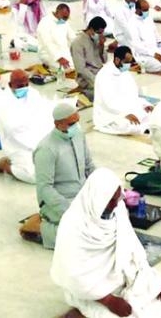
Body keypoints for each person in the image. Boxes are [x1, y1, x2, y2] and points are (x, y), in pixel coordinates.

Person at [51, 168, 161, 318]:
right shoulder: (73, 224)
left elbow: (132, 247)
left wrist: (152, 281)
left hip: (120, 281)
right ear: (98, 199)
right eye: (111, 201)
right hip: (91, 291)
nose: (115, 204)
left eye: (117, 199)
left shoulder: (118, 209)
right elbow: (74, 276)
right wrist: (109, 301)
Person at [32, 102, 94, 249]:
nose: (76, 126)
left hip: (82, 196)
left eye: (77, 121)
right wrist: (68, 210)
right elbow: (45, 189)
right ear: (58, 124)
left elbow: (89, 166)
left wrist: (104, 189)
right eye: (71, 124)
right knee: (84, 236)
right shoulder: (46, 149)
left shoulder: (79, 135)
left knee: (111, 220)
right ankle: (41, 228)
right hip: (60, 202)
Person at [0, 70, 55, 183]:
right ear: (10, 85)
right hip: (18, 146)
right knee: (35, 176)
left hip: (39, 140)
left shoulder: (33, 93)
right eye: (20, 86)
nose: (24, 88)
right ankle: (6, 166)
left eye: (26, 84)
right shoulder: (1, 101)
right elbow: (11, 128)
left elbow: (44, 114)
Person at [93, 46, 155, 135]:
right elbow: (108, 103)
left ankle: (145, 127)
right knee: (127, 124)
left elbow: (133, 95)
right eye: (126, 62)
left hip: (129, 107)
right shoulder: (104, 75)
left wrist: (144, 104)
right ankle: (144, 129)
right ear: (117, 60)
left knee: (151, 113)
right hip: (111, 114)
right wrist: (125, 114)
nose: (129, 65)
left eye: (130, 62)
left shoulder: (124, 72)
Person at [121, 0, 161, 73]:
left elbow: (157, 36)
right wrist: (153, 54)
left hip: (156, 50)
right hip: (143, 55)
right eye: (145, 10)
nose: (147, 12)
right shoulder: (132, 23)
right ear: (138, 10)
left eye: (148, 9)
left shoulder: (148, 18)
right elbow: (137, 46)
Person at [70, 16, 107, 101]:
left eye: (102, 33)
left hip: (100, 73)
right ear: (91, 29)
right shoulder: (78, 42)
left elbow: (104, 60)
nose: (100, 35)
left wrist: (101, 46)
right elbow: (80, 69)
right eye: (98, 32)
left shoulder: (97, 39)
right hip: (87, 79)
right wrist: (96, 81)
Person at [38, 4, 75, 71]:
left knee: (77, 66)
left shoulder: (63, 21)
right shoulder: (45, 22)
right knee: (65, 70)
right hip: (48, 54)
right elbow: (47, 43)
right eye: (64, 17)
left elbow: (72, 37)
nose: (65, 20)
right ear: (57, 12)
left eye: (67, 18)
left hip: (64, 52)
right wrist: (59, 57)